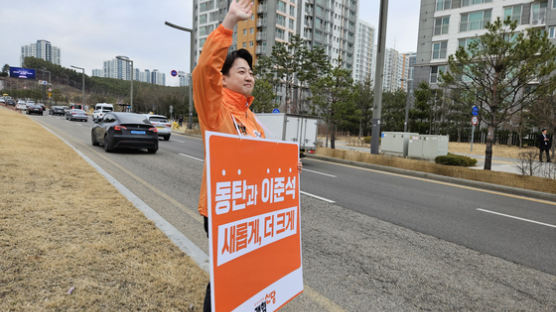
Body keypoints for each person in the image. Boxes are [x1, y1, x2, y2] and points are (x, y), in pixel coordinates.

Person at [191, 1, 263, 311]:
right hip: (223, 210)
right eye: (242, 71)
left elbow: (263, 160)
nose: (249, 77)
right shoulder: (215, 111)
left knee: (249, 275)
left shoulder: (252, 118)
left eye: (251, 72)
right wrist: (230, 22)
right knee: (226, 279)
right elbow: (204, 71)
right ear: (224, 79)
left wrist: (290, 166)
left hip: (251, 208)